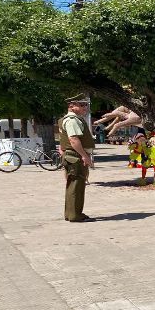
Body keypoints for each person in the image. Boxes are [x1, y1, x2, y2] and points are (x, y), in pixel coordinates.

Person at [58, 94, 94, 222]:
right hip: (76, 156)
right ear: (71, 106)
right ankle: (75, 215)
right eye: (81, 105)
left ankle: (71, 213)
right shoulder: (73, 120)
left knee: (72, 185)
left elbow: (63, 140)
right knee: (76, 186)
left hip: (71, 156)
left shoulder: (66, 119)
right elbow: (73, 139)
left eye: (85, 104)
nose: (85, 107)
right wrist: (85, 156)